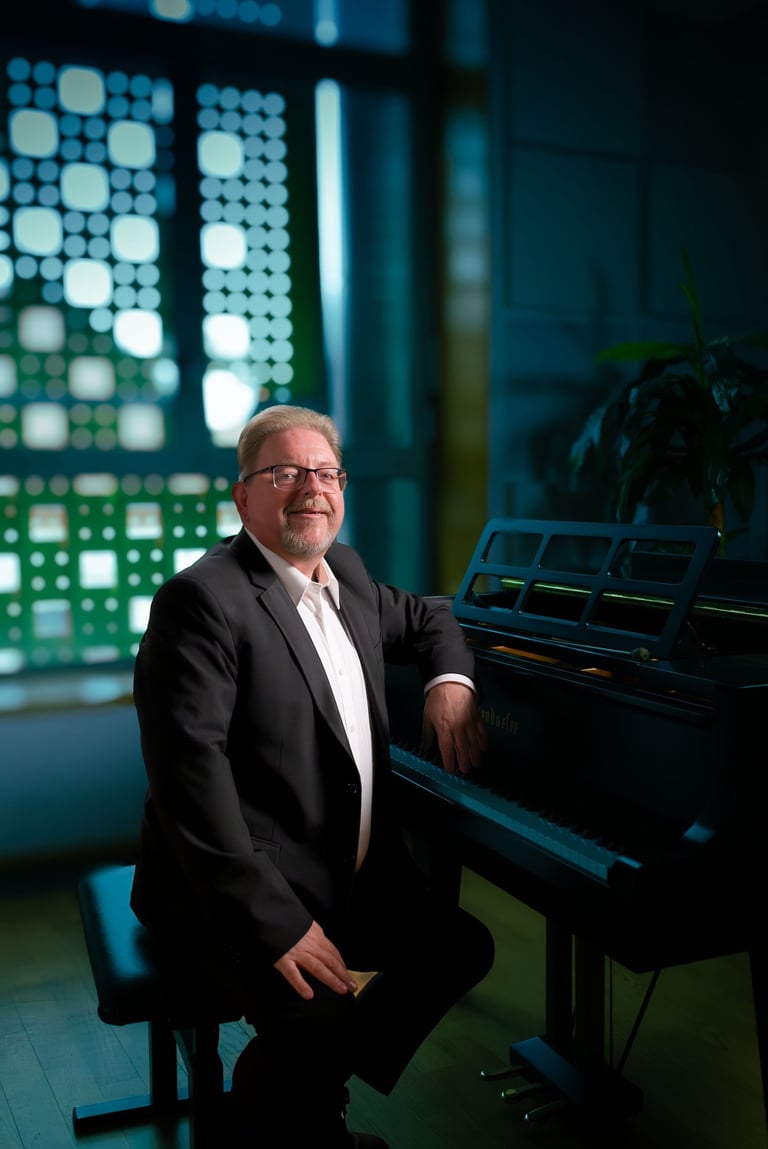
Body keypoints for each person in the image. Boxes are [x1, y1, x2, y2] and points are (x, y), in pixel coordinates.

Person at [130, 404, 496, 1148]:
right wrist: (279, 923)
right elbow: (188, 784)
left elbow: (431, 617)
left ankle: (304, 1101)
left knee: (461, 945)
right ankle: (281, 1122)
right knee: (320, 1017)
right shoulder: (201, 601)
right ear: (243, 495)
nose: (311, 487)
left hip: (340, 875)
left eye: (325, 472)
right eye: (285, 472)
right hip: (228, 886)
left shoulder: (348, 574)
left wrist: (448, 681)